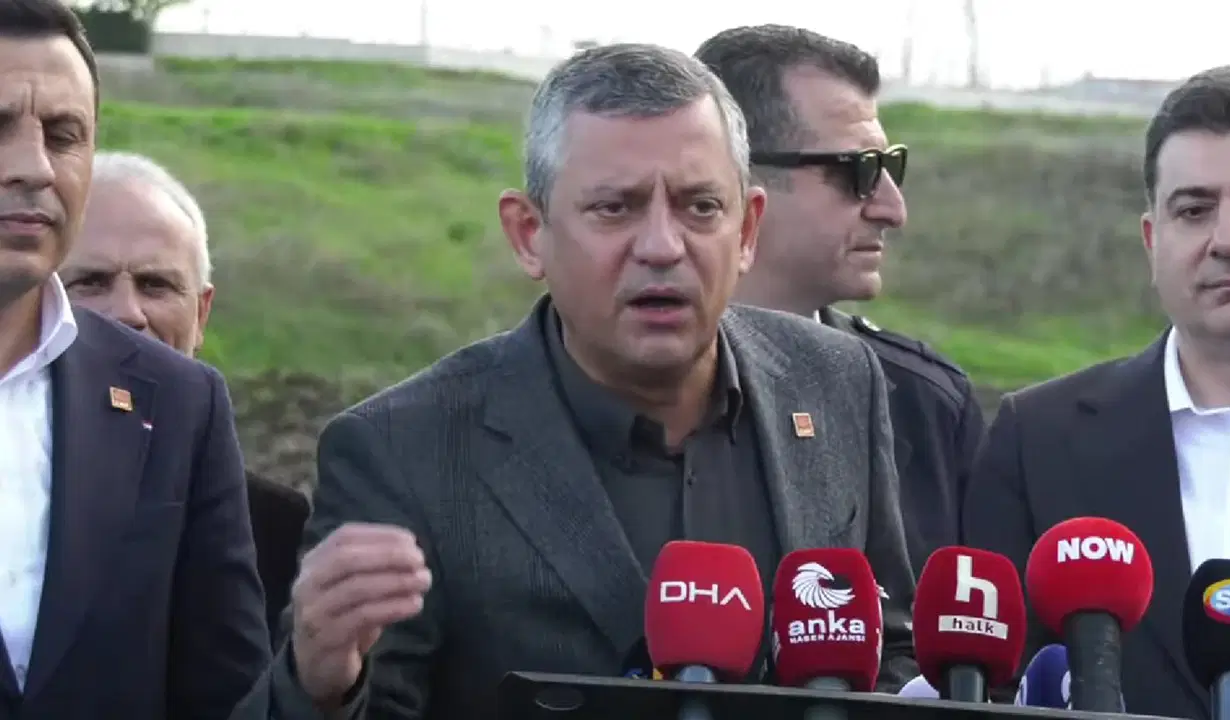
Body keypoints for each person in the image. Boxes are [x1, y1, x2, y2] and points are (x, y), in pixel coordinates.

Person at [254, 42, 917, 719]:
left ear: (746, 230)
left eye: (699, 207)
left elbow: (891, 655)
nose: (662, 246)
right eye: (614, 208)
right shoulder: (405, 450)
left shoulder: (835, 382)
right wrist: (319, 687)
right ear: (528, 234)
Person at [963, 65, 1230, 719]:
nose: (1229, 240)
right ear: (1152, 240)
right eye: (1194, 210)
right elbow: (989, 683)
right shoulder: (1036, 441)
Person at [0, 1, 270, 717]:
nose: (34, 168)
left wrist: (322, 681)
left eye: (64, 135)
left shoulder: (177, 404)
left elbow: (227, 697)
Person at [695, 25, 984, 574]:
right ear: (734, 180)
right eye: (858, 172)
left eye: (890, 168)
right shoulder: (613, 382)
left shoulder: (925, 405)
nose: (892, 209)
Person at [60, 151, 311, 648]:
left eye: (156, 285)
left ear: (201, 314)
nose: (127, 313)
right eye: (90, 282)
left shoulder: (276, 529)